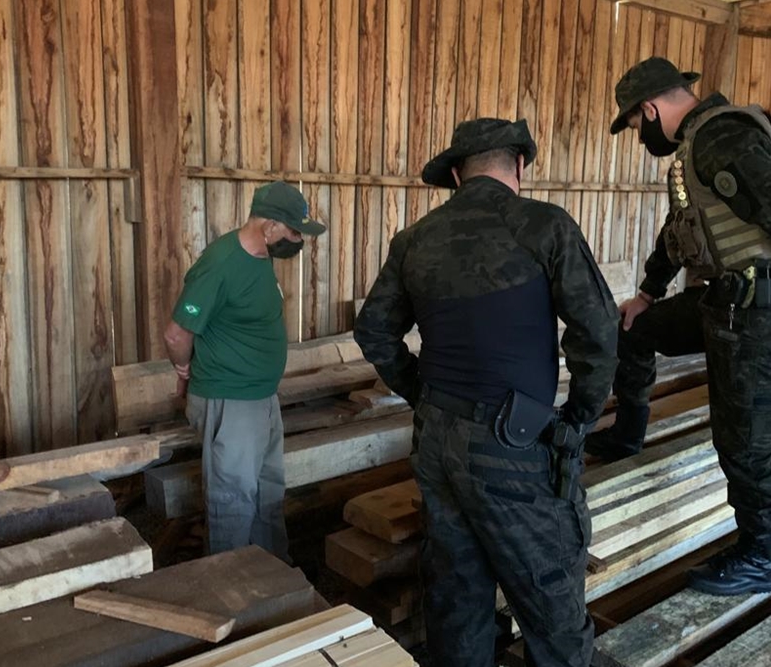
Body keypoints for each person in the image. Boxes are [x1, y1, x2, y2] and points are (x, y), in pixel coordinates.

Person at [354, 118, 619, 667]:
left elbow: (373, 331)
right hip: (512, 444)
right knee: (550, 599)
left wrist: (420, 392)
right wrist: (580, 417)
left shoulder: (414, 240)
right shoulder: (544, 226)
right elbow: (598, 330)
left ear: (456, 173)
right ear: (519, 165)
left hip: (436, 441)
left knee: (457, 588)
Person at [593, 57, 771, 596]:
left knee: (744, 439)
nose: (640, 137)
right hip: (727, 303)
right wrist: (646, 294)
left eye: (636, 126)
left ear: (650, 108)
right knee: (635, 331)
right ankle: (627, 436)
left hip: (761, 310)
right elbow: (676, 232)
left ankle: (759, 556)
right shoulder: (692, 151)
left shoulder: (720, 136)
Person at [163, 181, 326, 561]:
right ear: (269, 226)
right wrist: (184, 371)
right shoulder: (220, 263)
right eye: (292, 231)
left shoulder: (261, 256)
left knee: (268, 492)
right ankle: (233, 589)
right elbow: (176, 333)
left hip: (260, 398)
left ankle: (271, 581)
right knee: (233, 500)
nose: (297, 240)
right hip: (231, 399)